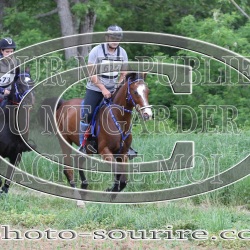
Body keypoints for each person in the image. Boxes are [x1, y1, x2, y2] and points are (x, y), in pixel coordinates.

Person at [79, 25, 137, 159]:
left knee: (124, 114)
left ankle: (127, 146)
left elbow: (124, 73)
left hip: (113, 90)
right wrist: (103, 89)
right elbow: (92, 74)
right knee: (87, 113)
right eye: (112, 37)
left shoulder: (122, 53)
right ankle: (83, 144)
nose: (115, 40)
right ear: (107, 37)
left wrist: (118, 86)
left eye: (117, 38)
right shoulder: (96, 51)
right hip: (95, 88)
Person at [0, 37, 19, 108]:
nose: (10, 54)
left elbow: (17, 78)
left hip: (10, 91)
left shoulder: (16, 63)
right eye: (7, 52)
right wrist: (2, 90)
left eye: (11, 51)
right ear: (2, 51)